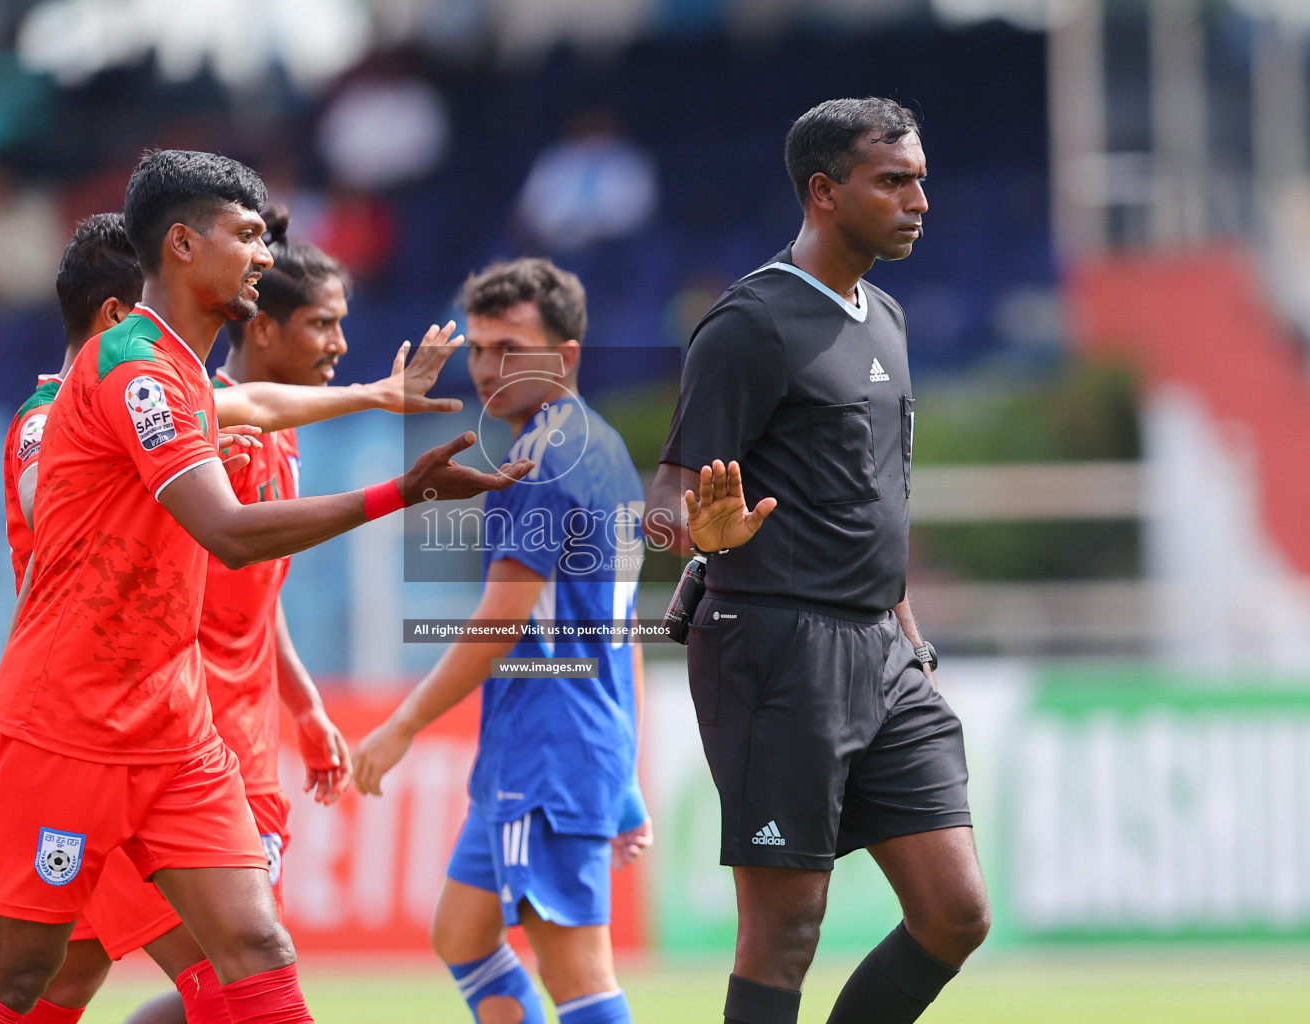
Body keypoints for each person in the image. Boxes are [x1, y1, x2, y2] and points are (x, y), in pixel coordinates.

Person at [0, 149, 532, 1024]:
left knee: (255, 953)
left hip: (174, 726)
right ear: (179, 244)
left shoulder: (180, 375)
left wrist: (376, 395)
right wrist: (399, 493)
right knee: (24, 975)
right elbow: (225, 533)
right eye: (246, 235)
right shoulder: (132, 367)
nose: (265, 255)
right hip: (71, 724)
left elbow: (250, 406)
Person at [646, 98, 990, 1024]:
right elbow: (661, 508)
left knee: (955, 913)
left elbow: (877, 494)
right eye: (894, 181)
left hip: (882, 649)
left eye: (921, 179)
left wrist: (906, 633)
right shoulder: (750, 322)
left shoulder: (887, 316)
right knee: (787, 929)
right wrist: (699, 535)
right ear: (825, 192)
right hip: (774, 647)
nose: (920, 199)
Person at [353, 257, 650, 1024]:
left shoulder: (545, 464)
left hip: (548, 750)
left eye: (510, 347)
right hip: (563, 744)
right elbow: (626, 634)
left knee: (576, 971)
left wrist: (401, 725)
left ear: (567, 357)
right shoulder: (601, 445)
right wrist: (626, 777)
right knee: (460, 932)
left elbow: (499, 623)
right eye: (478, 348)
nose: (487, 367)